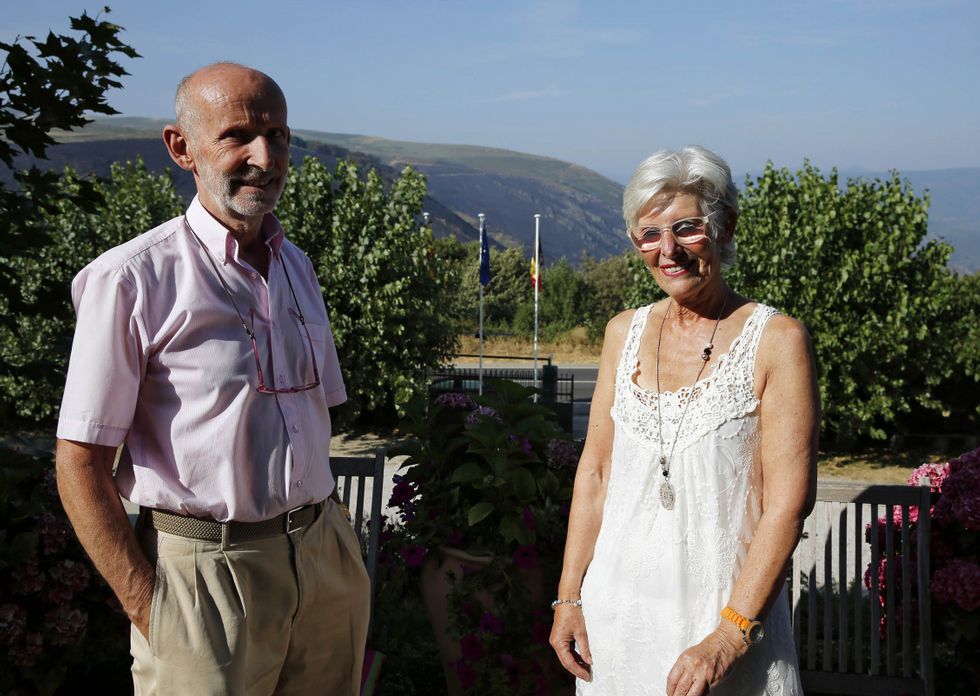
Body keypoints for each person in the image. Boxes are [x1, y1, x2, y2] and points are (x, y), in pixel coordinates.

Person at [55, 62, 370, 695]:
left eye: (278, 135)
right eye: (237, 136)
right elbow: (79, 461)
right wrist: (151, 609)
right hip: (204, 574)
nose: (265, 155)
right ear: (183, 148)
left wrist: (335, 556)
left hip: (322, 555)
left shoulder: (297, 267)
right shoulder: (132, 279)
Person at [550, 146, 818, 695]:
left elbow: (789, 505)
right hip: (615, 626)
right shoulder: (621, 334)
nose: (667, 250)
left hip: (721, 627)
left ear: (724, 228)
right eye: (649, 235)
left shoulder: (776, 340)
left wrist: (729, 637)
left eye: (686, 228)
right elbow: (595, 475)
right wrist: (569, 599)